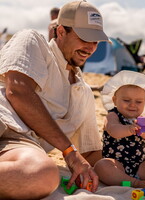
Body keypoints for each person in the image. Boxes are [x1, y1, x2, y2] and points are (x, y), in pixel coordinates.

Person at [0, 1, 110, 199]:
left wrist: (140, 165)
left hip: (19, 145)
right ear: (61, 31)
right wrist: (68, 150)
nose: (91, 47)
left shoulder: (83, 92)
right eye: (85, 38)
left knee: (42, 174)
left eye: (96, 41)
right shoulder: (33, 41)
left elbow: (90, 154)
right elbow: (17, 91)